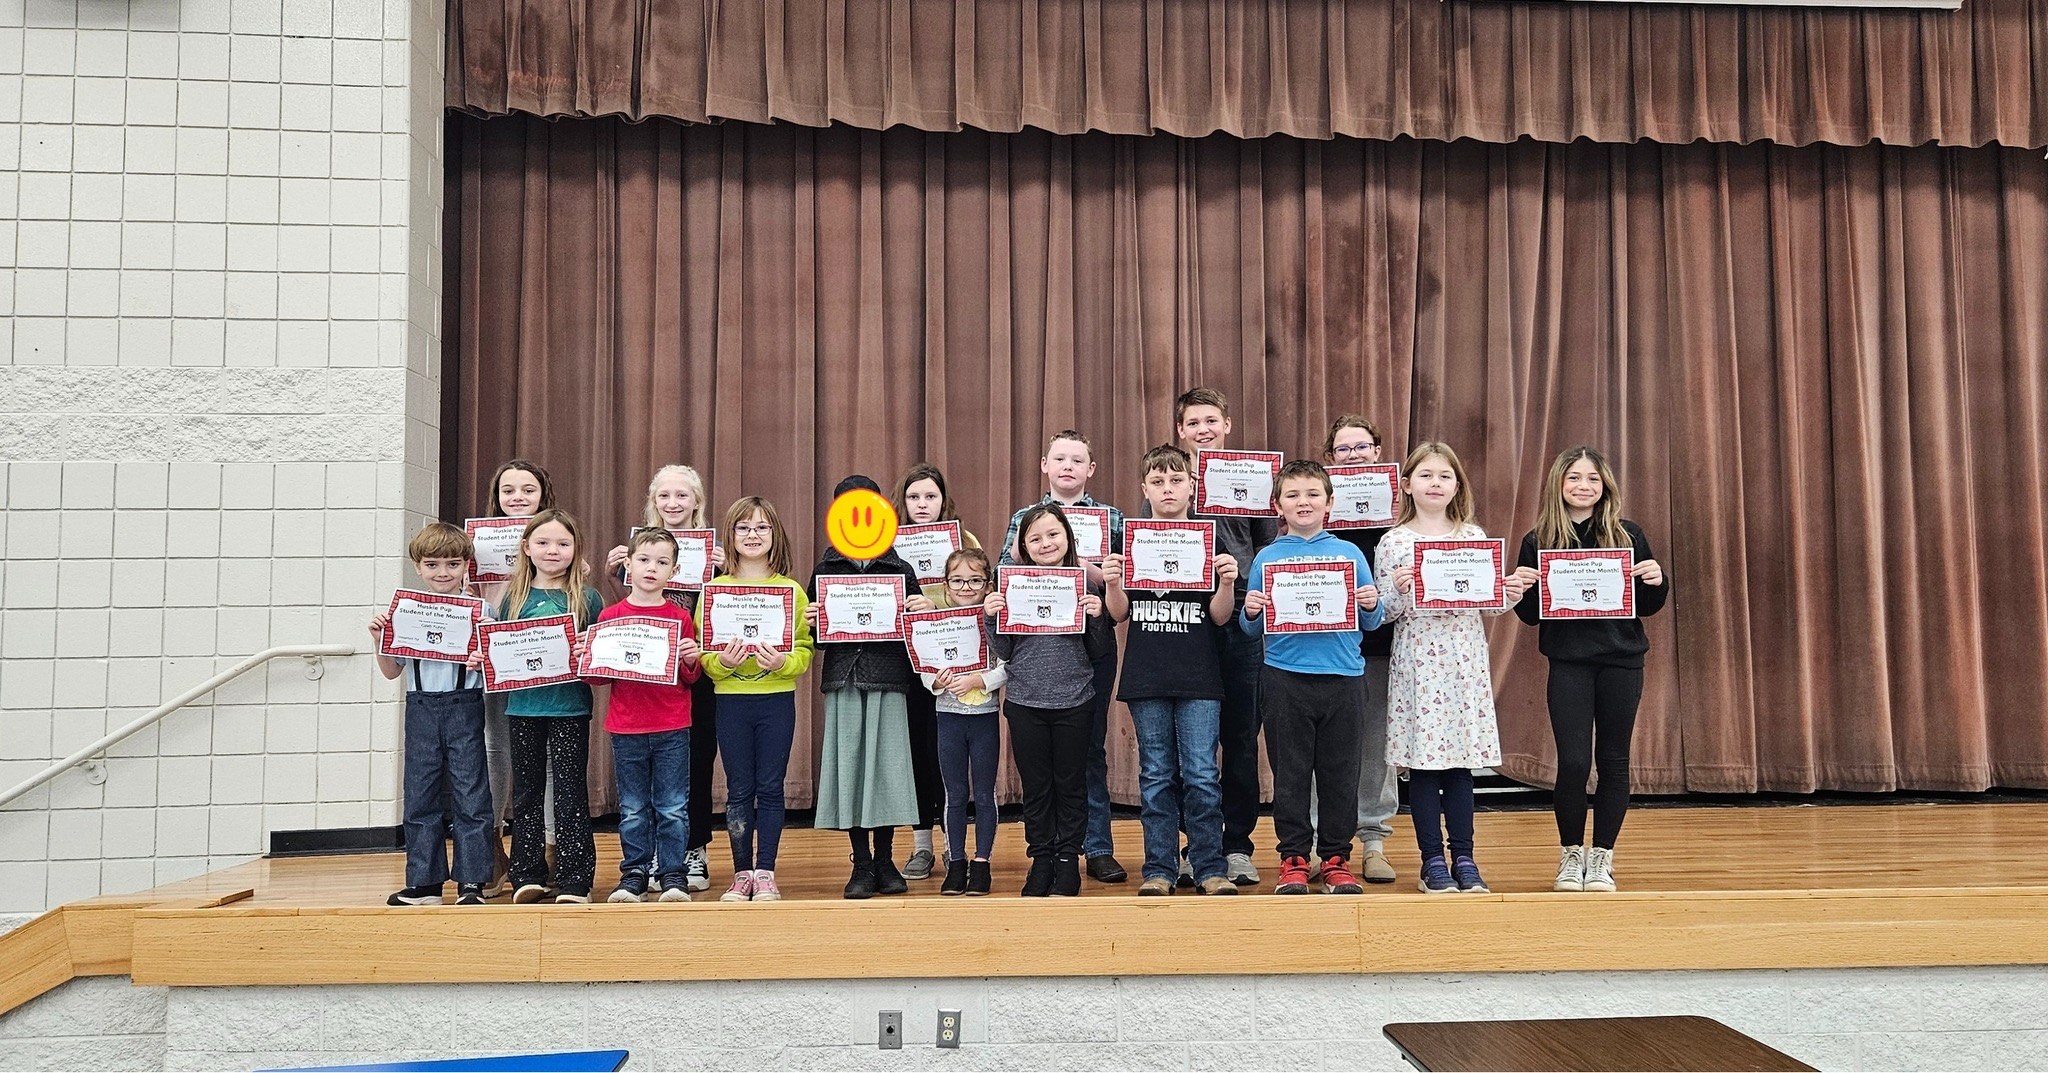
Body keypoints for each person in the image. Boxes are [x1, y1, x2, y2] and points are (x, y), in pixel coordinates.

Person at [1376, 443, 1533, 894]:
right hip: (1418, 665)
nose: (1435, 483)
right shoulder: (1394, 542)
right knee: (1424, 767)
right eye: (1426, 475)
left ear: (1457, 486)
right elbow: (1384, 612)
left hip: (1464, 663)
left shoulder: (1473, 535)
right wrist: (1400, 590)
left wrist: (1511, 591)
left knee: (1461, 765)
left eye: (1445, 476)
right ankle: (1432, 862)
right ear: (1407, 485)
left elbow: (1490, 605)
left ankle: (1464, 858)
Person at [1514, 446, 1668, 893]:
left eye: (1593, 479)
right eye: (1574, 478)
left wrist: (1656, 580)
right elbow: (1531, 615)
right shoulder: (1539, 540)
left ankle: (1602, 857)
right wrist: (1522, 588)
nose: (1584, 486)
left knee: (1614, 760)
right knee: (1574, 762)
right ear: (1558, 485)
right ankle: (1570, 855)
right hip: (1569, 663)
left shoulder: (1628, 534)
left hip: (1622, 661)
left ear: (1605, 487)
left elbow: (1647, 605)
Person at [1240, 460, 1386, 895]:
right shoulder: (1267, 557)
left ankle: (1337, 859)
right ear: (1277, 506)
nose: (1303, 502)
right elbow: (1250, 628)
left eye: (1312, 494)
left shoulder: (1350, 554)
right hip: (1284, 678)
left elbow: (1372, 621)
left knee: (1341, 775)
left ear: (1329, 503)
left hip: (1344, 678)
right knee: (1290, 776)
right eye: (1292, 495)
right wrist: (1251, 610)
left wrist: (1370, 602)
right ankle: (1294, 859)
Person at [1102, 445, 1239, 897]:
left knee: (1201, 774)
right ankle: (1159, 869)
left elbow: (1220, 616)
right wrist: (1114, 583)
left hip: (1200, 676)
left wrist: (1226, 582)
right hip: (1147, 676)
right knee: (1157, 775)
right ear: (1144, 489)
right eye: (1158, 482)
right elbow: (1119, 614)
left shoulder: (1209, 539)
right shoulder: (1131, 539)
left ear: (1191, 486)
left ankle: (1210, 867)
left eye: (1176, 480)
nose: (1167, 489)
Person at [998, 431, 1127, 883]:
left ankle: (1097, 847)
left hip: (1091, 646)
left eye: (1077, 459)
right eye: (1060, 459)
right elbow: (1007, 575)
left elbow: (1126, 580)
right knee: (1044, 765)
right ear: (1045, 465)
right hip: (1036, 652)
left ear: (1090, 468)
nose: (1067, 466)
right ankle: (1048, 852)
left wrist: (1087, 572)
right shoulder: (1023, 518)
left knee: (1088, 749)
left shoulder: (1112, 517)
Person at [1171, 388, 1279, 885]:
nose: (1203, 430)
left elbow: (1267, 548)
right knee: (1189, 742)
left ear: (1227, 425)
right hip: (1185, 621)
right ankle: (1194, 843)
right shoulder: (1170, 478)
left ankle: (1236, 845)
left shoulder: (1252, 479)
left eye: (1211, 420)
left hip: (1240, 620)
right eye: (1193, 423)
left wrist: (1241, 583)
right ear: (1181, 431)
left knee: (1239, 736)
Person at [807, 475, 933, 899]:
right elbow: (815, 637)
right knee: (852, 770)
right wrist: (812, 621)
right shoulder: (825, 569)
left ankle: (885, 859)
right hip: (843, 679)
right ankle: (861, 862)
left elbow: (920, 636)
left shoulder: (901, 569)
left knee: (888, 770)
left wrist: (923, 609)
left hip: (890, 680)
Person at [603, 464, 724, 893]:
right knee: (643, 784)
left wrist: (723, 572)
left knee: (695, 761)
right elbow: (624, 618)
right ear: (653, 502)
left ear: (697, 502)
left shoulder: (714, 555)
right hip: (643, 679)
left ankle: (693, 850)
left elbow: (727, 611)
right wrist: (613, 575)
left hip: (693, 667)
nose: (673, 503)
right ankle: (652, 856)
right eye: (664, 496)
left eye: (682, 495)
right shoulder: (638, 549)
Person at [988, 504, 1114, 896]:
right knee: (1037, 787)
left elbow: (1099, 651)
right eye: (1035, 538)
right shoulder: (1011, 585)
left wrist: (1098, 617)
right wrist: (992, 617)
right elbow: (1004, 650)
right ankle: (1041, 859)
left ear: (1068, 538)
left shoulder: (1085, 583)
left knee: (1071, 785)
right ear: (1022, 547)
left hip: (1075, 700)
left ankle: (1068, 860)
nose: (1046, 543)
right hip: (1025, 701)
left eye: (1053, 534)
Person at [369, 522, 494, 907]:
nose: (443, 572)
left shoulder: (481, 611)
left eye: (453, 564)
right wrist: (379, 641)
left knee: (471, 793)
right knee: (419, 794)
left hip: (464, 705)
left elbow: (496, 668)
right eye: (432, 564)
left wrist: (484, 654)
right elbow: (391, 672)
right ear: (418, 567)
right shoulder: (405, 611)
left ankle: (472, 883)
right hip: (421, 707)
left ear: (466, 565)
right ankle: (424, 884)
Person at [701, 496, 814, 903]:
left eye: (762, 527)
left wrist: (784, 662)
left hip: (776, 701)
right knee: (738, 789)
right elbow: (704, 654)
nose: (752, 534)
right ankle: (740, 873)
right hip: (731, 702)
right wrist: (722, 663)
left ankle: (765, 871)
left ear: (775, 535)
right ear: (730, 536)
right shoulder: (714, 590)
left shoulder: (791, 591)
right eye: (743, 527)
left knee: (770, 787)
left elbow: (804, 649)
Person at [497, 509, 606, 904]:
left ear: (576, 549)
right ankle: (527, 875)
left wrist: (587, 652)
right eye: (543, 542)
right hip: (523, 708)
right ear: (526, 547)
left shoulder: (587, 598)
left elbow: (599, 655)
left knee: (569, 792)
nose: (553, 550)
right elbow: (501, 650)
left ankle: (576, 879)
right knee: (527, 792)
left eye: (563, 543)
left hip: (569, 708)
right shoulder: (513, 598)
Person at [595, 528, 704, 903]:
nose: (651, 568)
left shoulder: (681, 618)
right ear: (628, 564)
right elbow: (597, 678)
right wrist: (586, 657)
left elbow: (690, 678)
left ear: (674, 571)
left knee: (672, 807)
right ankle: (634, 876)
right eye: (643, 560)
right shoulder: (610, 616)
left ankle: (672, 875)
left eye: (661, 562)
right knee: (632, 809)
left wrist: (691, 660)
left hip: (672, 726)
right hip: (626, 727)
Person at [892, 463, 984, 881]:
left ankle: (953, 845)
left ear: (943, 500)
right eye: (914, 497)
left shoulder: (965, 541)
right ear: (902, 501)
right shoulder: (888, 545)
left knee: (949, 759)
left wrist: (938, 607)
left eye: (930, 496)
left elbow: (978, 599)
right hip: (907, 663)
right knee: (917, 752)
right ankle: (921, 845)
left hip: (957, 666)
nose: (922, 504)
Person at [1321, 415, 1400, 884]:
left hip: (1381, 643)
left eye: (1362, 447)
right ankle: (1318, 842)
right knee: (1321, 748)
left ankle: (1373, 840)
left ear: (1377, 452)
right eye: (1343, 450)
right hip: (1323, 646)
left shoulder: (1399, 513)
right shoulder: (1314, 508)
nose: (1353, 456)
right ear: (1330, 459)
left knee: (1375, 744)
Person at [919, 548, 1006, 896]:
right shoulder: (936, 622)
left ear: (987, 584)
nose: (966, 587)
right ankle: (956, 863)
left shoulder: (994, 620)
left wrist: (979, 680)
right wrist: (936, 682)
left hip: (984, 718)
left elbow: (1008, 664)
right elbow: (925, 667)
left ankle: (982, 863)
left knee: (984, 793)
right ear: (946, 585)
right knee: (954, 793)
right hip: (948, 717)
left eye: (974, 580)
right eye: (957, 581)